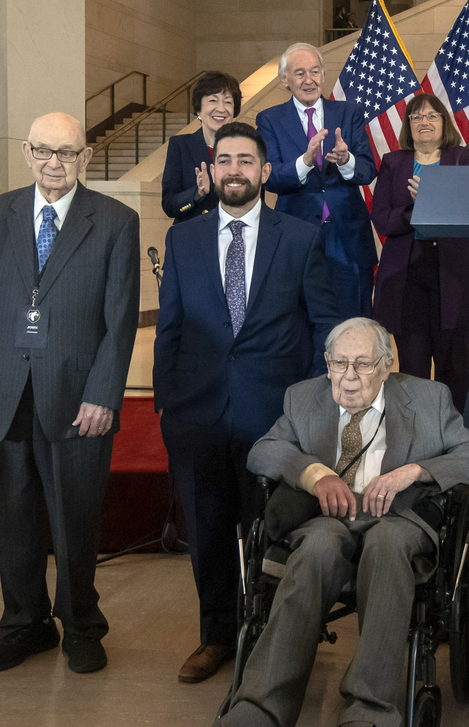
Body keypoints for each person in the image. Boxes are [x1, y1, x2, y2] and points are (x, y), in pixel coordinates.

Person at [216, 317, 469, 727]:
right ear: (327, 362)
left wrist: (415, 471)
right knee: (315, 549)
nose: (348, 377)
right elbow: (264, 452)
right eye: (339, 363)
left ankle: (370, 709)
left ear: (387, 365)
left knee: (387, 547)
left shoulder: (428, 398)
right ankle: (261, 707)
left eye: (363, 364)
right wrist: (315, 475)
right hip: (328, 519)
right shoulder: (302, 397)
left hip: (397, 518)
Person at [153, 121, 339, 684]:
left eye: (246, 161)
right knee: (207, 533)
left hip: (273, 418)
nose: (235, 170)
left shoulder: (301, 237)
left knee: (272, 534)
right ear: (211, 172)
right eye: (225, 160)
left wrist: (309, 412)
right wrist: (168, 402)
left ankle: (272, 637)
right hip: (196, 414)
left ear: (264, 171)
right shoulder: (183, 239)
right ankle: (216, 637)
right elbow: (170, 327)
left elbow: (323, 327)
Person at [0, 112, 140, 675]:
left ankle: (82, 625)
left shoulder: (115, 221)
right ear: (26, 151)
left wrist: (105, 394)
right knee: (11, 519)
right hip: (6, 391)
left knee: (74, 519)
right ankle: (24, 624)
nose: (55, 164)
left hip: (78, 399)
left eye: (67, 153)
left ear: (85, 157)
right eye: (44, 152)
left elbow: (121, 320)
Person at [372, 93, 469, 409]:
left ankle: (457, 448)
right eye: (417, 117)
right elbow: (381, 218)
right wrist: (415, 208)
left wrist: (434, 199)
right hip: (406, 280)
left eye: (432, 116)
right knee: (412, 374)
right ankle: (416, 445)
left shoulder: (462, 158)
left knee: (455, 374)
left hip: (454, 277)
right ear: (408, 125)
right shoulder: (393, 162)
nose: (424, 122)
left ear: (443, 122)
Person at [257, 42, 377, 319]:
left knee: (354, 322)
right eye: (299, 73)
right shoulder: (270, 120)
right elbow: (270, 177)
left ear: (323, 75)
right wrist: (305, 162)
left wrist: (347, 160)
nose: (308, 80)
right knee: (299, 323)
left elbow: (368, 170)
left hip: (347, 236)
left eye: (314, 72)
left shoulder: (349, 113)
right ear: (285, 80)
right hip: (295, 236)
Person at [160, 71, 242, 223]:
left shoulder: (245, 149)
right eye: (213, 100)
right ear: (199, 109)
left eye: (228, 102)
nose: (221, 108)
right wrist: (197, 193)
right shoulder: (180, 146)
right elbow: (169, 205)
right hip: (193, 236)